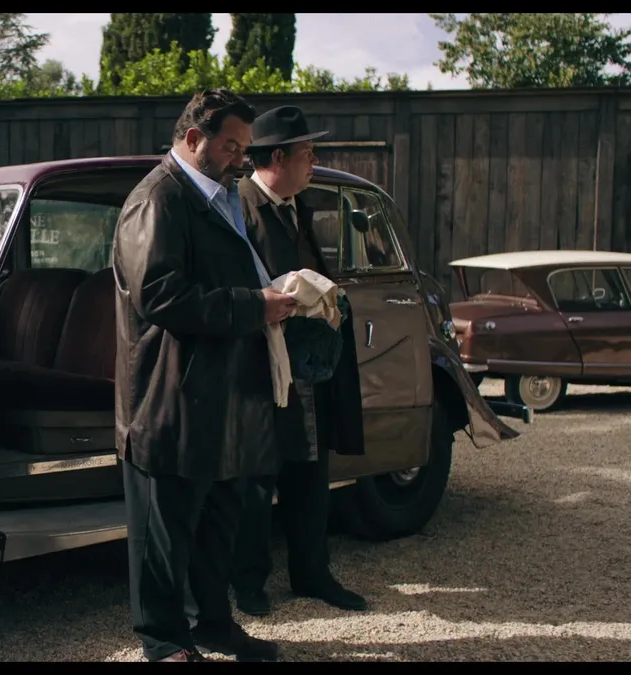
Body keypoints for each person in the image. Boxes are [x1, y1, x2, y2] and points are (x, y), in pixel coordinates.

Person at [112, 89, 297, 663]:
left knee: (217, 521)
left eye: (245, 147)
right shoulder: (158, 199)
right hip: (169, 397)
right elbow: (160, 294)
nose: (242, 158)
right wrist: (253, 306)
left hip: (219, 391)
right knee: (165, 530)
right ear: (194, 139)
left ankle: (212, 623)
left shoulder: (218, 196)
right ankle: (163, 640)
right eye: (231, 146)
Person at [231, 105, 368, 617]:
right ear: (277, 158)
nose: (314, 161)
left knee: (311, 468)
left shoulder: (296, 206)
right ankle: (248, 582)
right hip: (260, 361)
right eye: (307, 153)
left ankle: (313, 572)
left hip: (308, 361)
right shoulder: (239, 206)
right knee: (257, 474)